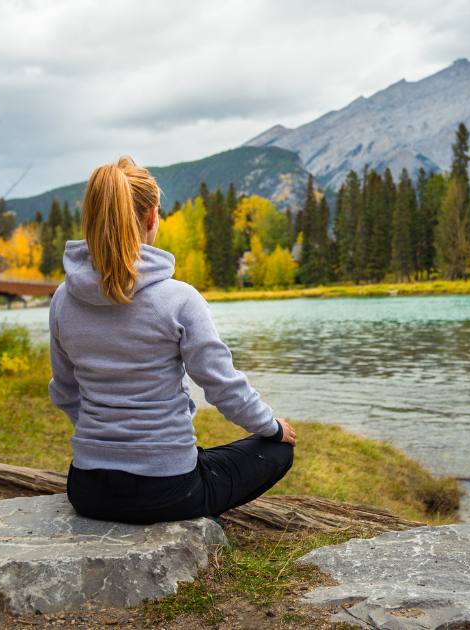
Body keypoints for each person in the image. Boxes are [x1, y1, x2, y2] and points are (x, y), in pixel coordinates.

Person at [47, 156, 296, 525]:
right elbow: (222, 386)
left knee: (202, 457)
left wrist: (107, 443)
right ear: (151, 218)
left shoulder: (63, 299)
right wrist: (273, 427)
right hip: (167, 490)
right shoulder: (178, 298)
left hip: (88, 489)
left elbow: (65, 391)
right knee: (276, 452)